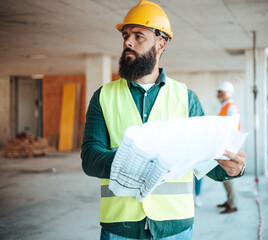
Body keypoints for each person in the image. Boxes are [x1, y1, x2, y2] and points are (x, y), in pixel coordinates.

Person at [81, 1, 246, 239]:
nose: (128, 42)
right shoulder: (103, 96)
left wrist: (234, 169)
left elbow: (208, 163)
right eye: (126, 35)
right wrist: (131, 159)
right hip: (121, 226)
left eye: (139, 36)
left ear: (160, 44)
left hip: (174, 228)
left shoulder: (186, 98)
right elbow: (90, 158)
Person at [216, 81, 243, 214]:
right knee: (225, 175)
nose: (218, 94)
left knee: (228, 175)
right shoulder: (225, 106)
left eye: (220, 92)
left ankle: (233, 204)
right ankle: (229, 200)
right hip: (225, 146)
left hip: (229, 147)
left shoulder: (230, 107)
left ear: (225, 93)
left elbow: (231, 129)